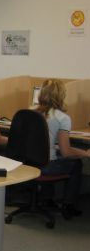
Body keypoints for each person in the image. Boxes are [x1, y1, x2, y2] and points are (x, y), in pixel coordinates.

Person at [36, 79, 89, 217]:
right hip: (46, 166)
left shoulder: (30, 112)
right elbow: (66, 152)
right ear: (61, 96)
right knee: (76, 163)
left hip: (28, 163)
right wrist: (86, 153)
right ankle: (68, 205)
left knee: (51, 155)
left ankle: (46, 199)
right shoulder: (62, 118)